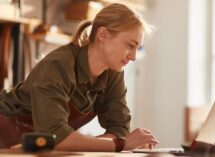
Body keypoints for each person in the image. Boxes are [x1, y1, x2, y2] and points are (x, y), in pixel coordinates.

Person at [0, 3, 158, 152]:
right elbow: (56, 138)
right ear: (102, 35)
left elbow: (119, 131)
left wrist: (114, 143)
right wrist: (120, 144)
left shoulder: (113, 74)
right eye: (130, 45)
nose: (134, 57)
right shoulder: (57, 65)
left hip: (34, 147)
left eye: (138, 48)